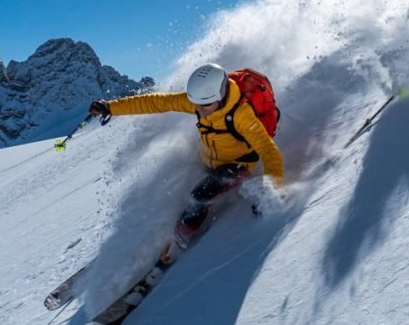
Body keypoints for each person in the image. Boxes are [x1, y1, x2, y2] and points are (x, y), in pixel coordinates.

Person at [88, 63, 284, 263]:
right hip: (208, 159)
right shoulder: (201, 103)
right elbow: (155, 102)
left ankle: (178, 246)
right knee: (179, 190)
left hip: (237, 165)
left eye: (205, 105)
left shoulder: (242, 115)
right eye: (196, 104)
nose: (199, 109)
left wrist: (271, 192)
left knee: (198, 196)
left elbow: (269, 151)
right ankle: (182, 224)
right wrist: (111, 107)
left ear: (221, 95)